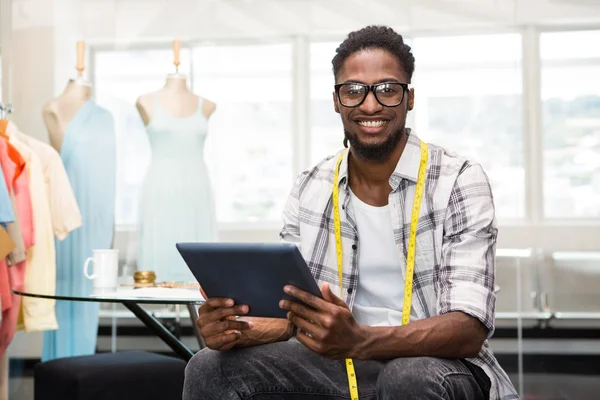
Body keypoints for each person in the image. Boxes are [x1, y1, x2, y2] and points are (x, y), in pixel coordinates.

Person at [183, 25, 518, 400]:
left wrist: (360, 340)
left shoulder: (458, 181)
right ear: (336, 101)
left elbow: (468, 329)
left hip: (438, 365)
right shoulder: (311, 186)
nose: (370, 105)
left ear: (409, 99)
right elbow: (292, 313)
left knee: (407, 376)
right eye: (354, 91)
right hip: (338, 362)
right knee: (211, 367)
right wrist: (235, 329)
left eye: (387, 90)